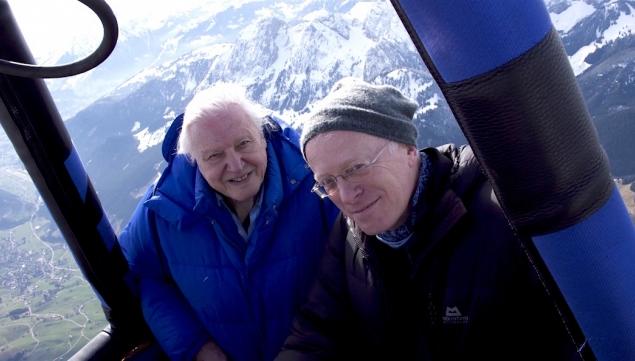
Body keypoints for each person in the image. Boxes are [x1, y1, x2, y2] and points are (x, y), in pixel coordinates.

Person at [275, 78, 581, 360]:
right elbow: (317, 332)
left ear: (408, 149)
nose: (345, 194)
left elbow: (572, 336)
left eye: (356, 168)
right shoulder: (350, 234)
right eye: (327, 181)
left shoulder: (500, 212)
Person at [118, 84, 338, 361]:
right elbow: (142, 275)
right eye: (214, 155)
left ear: (263, 135)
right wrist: (194, 346)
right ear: (194, 160)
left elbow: (361, 262)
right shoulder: (163, 207)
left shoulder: (315, 178)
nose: (235, 165)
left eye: (243, 144)